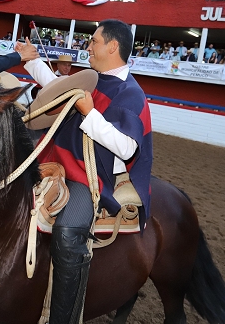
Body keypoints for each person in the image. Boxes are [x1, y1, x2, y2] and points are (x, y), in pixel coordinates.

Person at [23, 19, 152, 323]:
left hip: (86, 176)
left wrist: (88, 113)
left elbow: (128, 147)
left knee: (68, 234)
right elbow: (59, 87)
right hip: (51, 157)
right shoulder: (96, 77)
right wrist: (32, 60)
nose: (88, 46)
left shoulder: (131, 94)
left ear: (112, 46)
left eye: (93, 41)